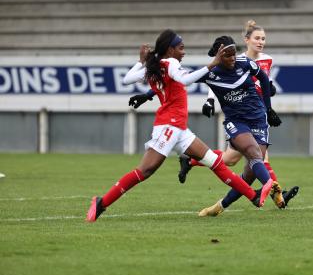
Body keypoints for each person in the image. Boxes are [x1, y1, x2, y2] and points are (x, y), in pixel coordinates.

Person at [86, 29, 273, 222]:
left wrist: (141, 62)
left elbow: (127, 79)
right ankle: (102, 203)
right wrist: (212, 64)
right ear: (170, 49)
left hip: (180, 129)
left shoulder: (155, 64)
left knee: (216, 163)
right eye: (181, 48)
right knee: (145, 170)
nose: (183, 53)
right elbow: (185, 80)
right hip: (169, 126)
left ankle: (254, 196)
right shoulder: (171, 62)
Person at [179, 21, 299, 216]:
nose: (233, 58)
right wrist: (209, 101)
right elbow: (182, 80)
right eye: (228, 55)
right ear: (219, 56)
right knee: (253, 154)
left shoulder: (246, 63)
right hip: (236, 121)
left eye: (234, 53)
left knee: (246, 171)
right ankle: (272, 186)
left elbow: (263, 79)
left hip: (258, 118)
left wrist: (268, 109)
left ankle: (219, 206)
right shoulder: (212, 72)